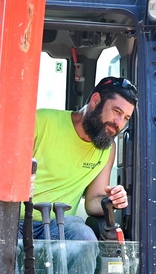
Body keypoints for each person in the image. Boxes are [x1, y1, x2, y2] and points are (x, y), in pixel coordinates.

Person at [26, 75, 137, 240]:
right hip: (16, 221)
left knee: (83, 236)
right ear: (96, 100)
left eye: (126, 118)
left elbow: (93, 202)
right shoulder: (40, 122)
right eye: (117, 111)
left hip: (60, 227)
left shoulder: (107, 149)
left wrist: (112, 200)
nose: (119, 123)